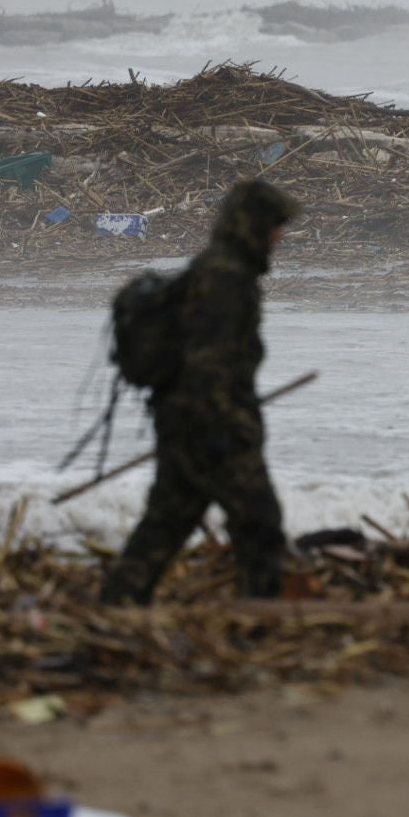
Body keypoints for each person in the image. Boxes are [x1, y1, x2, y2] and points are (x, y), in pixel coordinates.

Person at [101, 179, 300, 604]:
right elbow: (209, 364)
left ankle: (116, 604)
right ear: (253, 223)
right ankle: (262, 617)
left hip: (184, 422)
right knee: (260, 523)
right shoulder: (226, 277)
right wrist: (227, 428)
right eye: (275, 224)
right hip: (211, 428)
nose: (280, 235)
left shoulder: (221, 269)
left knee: (166, 523)